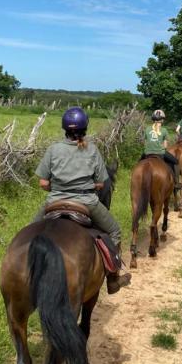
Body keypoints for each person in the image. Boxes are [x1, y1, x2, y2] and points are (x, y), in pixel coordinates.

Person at [34, 106, 131, 294]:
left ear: (65, 129)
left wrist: (58, 188)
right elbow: (102, 184)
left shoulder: (53, 149)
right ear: (85, 129)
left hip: (54, 201)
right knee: (114, 231)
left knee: (29, 232)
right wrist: (88, 186)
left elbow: (43, 182)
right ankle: (112, 279)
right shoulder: (92, 150)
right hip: (86, 202)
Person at [142, 109, 180, 188]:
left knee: (138, 163)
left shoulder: (147, 129)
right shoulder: (164, 130)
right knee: (175, 162)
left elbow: (145, 143)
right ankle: (176, 182)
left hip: (147, 153)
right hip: (160, 153)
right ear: (162, 120)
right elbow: (165, 146)